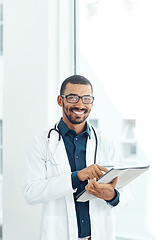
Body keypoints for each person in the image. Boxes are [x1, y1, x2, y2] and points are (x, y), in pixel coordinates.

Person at [23, 75, 131, 240]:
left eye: (86, 99)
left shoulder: (106, 142)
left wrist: (111, 195)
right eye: (73, 97)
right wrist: (77, 177)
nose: (80, 105)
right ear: (60, 100)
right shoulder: (41, 143)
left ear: (92, 103)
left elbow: (127, 192)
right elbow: (31, 193)